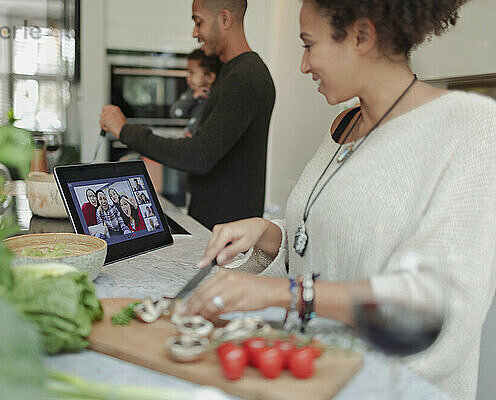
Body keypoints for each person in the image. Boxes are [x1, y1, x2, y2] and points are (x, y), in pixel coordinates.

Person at [182, 1, 496, 399]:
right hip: (313, 374)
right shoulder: (344, 125)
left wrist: (288, 295)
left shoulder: (470, 127)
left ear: (361, 37)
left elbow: (435, 305)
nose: (303, 65)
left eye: (308, 45)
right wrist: (267, 232)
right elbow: (327, 242)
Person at [100, 0, 276, 230]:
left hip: (228, 235)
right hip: (217, 225)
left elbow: (198, 156)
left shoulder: (245, 77)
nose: (195, 33)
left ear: (225, 19)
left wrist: (125, 131)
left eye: (198, 22)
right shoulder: (230, 73)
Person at [170, 48, 222, 138]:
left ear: (210, 77)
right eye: (188, 73)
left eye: (192, 73)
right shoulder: (190, 94)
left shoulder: (217, 96)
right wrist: (192, 97)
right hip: (190, 139)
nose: (188, 78)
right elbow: (175, 113)